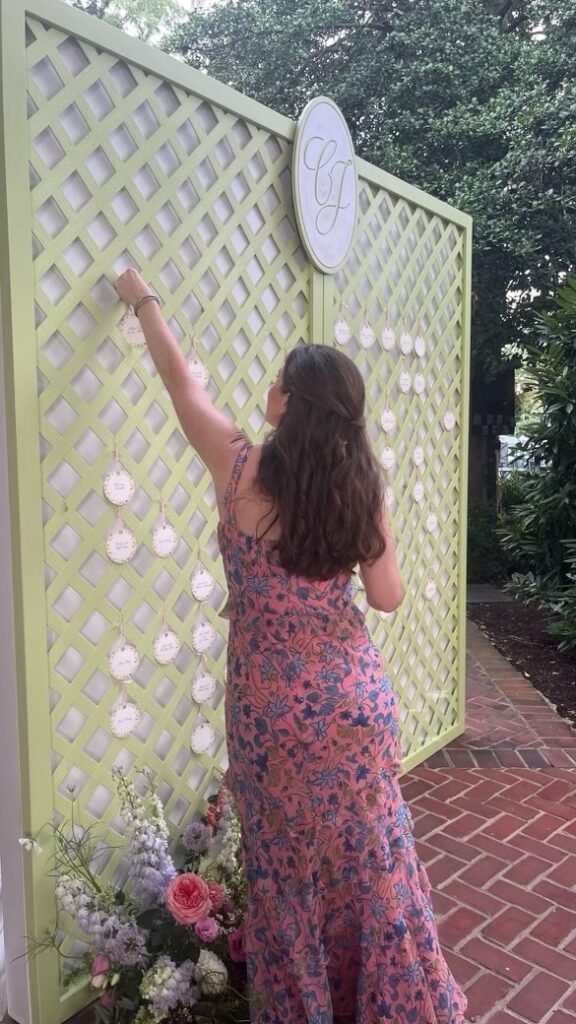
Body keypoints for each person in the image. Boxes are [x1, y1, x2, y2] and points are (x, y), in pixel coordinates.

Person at [115, 268, 469, 1024]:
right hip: (352, 707)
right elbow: (386, 595)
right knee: (371, 867)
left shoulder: (238, 468)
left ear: (288, 403)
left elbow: (182, 389)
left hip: (271, 716)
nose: (269, 386)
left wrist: (143, 301)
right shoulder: (359, 488)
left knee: (286, 879)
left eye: (279, 379)